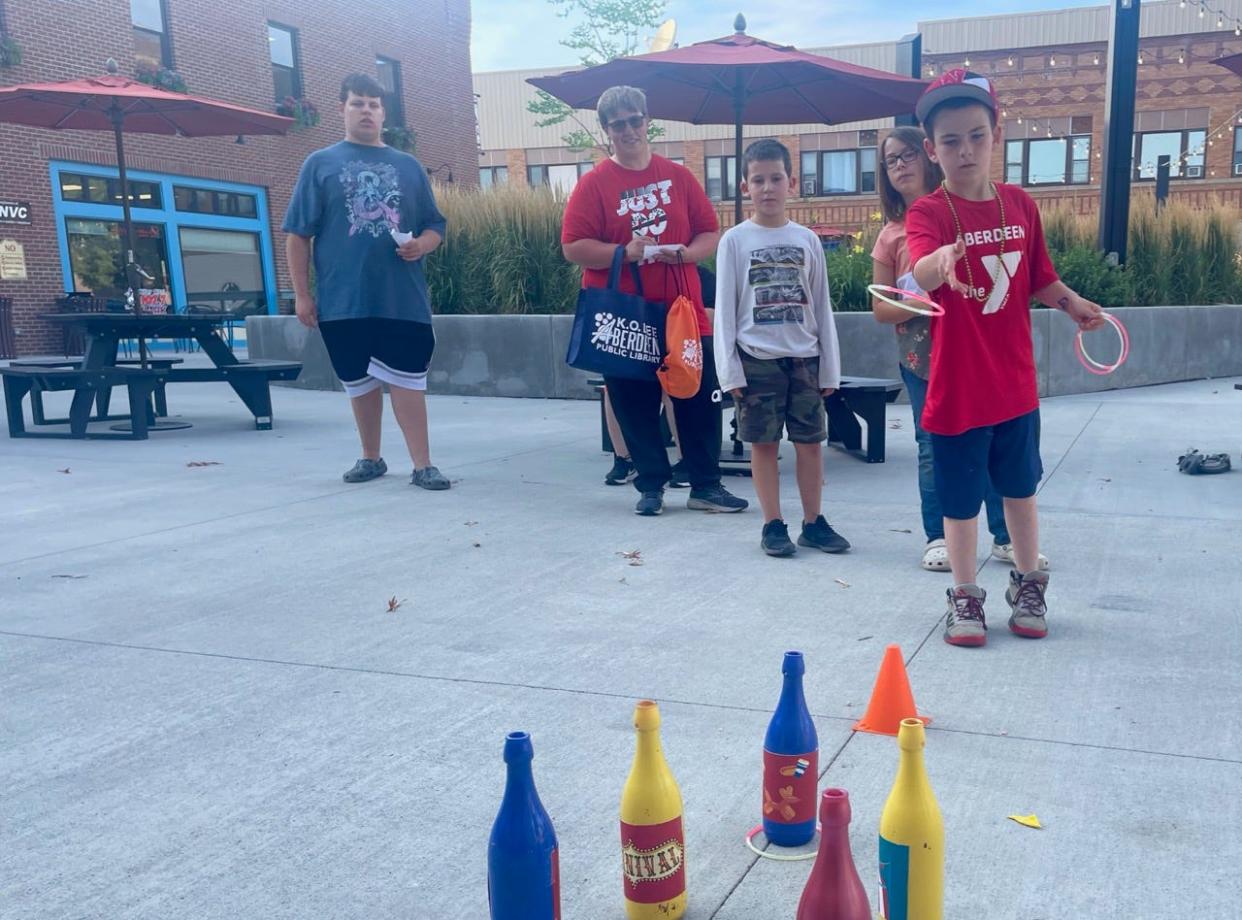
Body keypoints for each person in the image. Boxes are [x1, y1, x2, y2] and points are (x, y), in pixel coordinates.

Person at [905, 70, 1104, 646]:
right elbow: (919, 271)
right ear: (931, 148)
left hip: (1015, 385)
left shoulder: (1020, 205)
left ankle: (1027, 580)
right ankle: (965, 596)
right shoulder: (929, 214)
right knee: (962, 498)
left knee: (1021, 489)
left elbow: (1040, 278)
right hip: (957, 388)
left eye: (976, 136)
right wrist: (940, 262)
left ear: (997, 135)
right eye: (950, 141)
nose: (964, 151)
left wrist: (1073, 305)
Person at [562, 85, 746, 516]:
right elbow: (573, 246)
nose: (628, 130)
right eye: (618, 124)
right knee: (632, 396)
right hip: (625, 309)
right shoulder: (593, 185)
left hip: (682, 306)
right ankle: (651, 484)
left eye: (635, 121)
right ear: (606, 130)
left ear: (648, 122)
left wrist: (684, 252)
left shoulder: (678, 177)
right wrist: (622, 252)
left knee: (698, 395)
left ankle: (705, 484)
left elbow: (708, 232)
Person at [871, 126, 1048, 573]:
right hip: (923, 358)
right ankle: (938, 537)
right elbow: (881, 308)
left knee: (995, 443)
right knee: (935, 448)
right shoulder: (895, 233)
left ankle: (1004, 536)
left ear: (929, 155)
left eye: (908, 154)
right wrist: (930, 286)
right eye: (891, 160)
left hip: (981, 356)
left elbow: (1028, 277)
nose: (900, 165)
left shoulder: (984, 210)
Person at [284, 73, 450, 490]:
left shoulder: (408, 166)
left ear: (384, 113)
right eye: (358, 103)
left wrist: (422, 246)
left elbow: (434, 225)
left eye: (374, 105)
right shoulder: (320, 164)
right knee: (359, 382)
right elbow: (298, 234)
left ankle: (423, 464)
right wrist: (302, 295)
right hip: (344, 298)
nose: (367, 111)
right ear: (342, 108)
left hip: (402, 298)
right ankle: (371, 457)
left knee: (409, 379)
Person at [714, 139, 849, 557]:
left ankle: (814, 522)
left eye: (776, 178)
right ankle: (773, 524)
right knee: (764, 444)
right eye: (758, 180)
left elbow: (821, 304)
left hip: (805, 358)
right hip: (756, 360)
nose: (767, 187)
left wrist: (830, 367)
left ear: (792, 182)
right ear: (744, 187)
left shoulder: (807, 240)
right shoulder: (734, 241)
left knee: (810, 443)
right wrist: (729, 370)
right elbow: (724, 310)